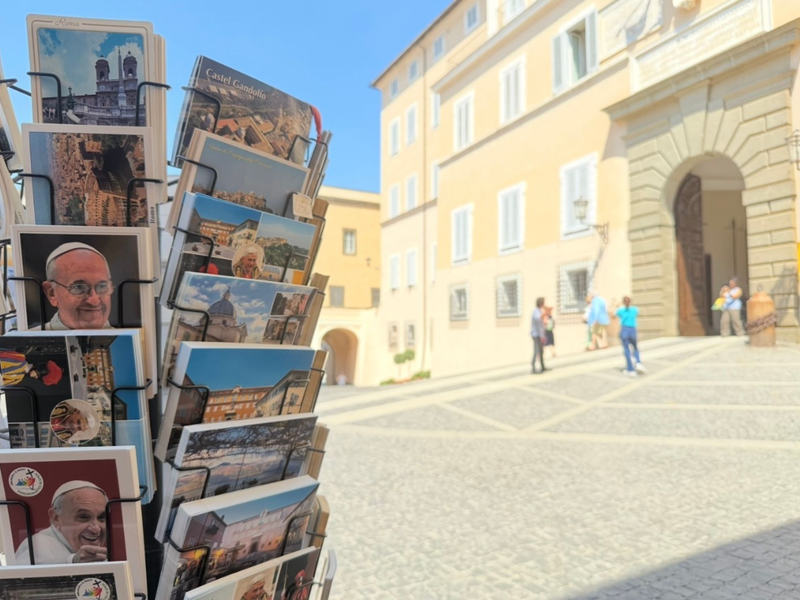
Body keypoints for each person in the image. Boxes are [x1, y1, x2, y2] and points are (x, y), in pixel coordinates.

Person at [15, 480, 108, 564]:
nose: (96, 529)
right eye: (83, 517)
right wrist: (73, 561)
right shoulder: (37, 544)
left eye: (102, 517)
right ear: (56, 518)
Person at [42, 243, 114, 330]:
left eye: (102, 287)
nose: (94, 301)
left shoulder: (133, 340)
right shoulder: (27, 341)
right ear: (52, 293)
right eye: (79, 288)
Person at [615, 296, 646, 377]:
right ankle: (638, 363)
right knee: (635, 348)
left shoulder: (620, 310)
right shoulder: (635, 309)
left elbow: (614, 315)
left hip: (624, 329)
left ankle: (630, 369)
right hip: (633, 330)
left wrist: (617, 306)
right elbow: (636, 314)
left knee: (626, 350)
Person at [530, 297, 549, 374]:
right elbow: (538, 318)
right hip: (536, 334)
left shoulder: (539, 311)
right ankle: (533, 367)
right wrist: (546, 311)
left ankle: (542, 366)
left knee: (541, 351)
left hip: (540, 334)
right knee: (536, 351)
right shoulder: (536, 311)